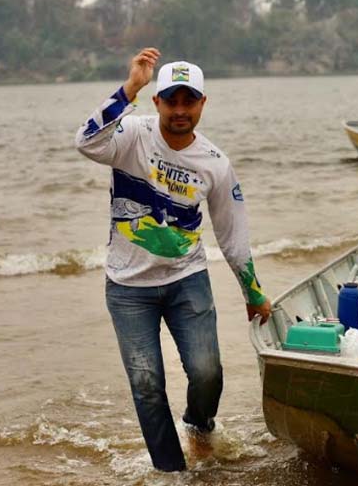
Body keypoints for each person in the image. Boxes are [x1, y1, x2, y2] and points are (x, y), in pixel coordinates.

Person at [74, 48, 272, 472]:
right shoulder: (130, 135)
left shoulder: (215, 163)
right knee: (146, 385)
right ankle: (170, 472)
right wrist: (130, 87)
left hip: (187, 279)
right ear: (157, 101)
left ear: (202, 104)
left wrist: (253, 293)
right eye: (171, 100)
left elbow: (232, 233)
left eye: (189, 101)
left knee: (207, 373)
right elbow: (86, 141)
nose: (180, 110)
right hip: (127, 288)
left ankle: (200, 427)